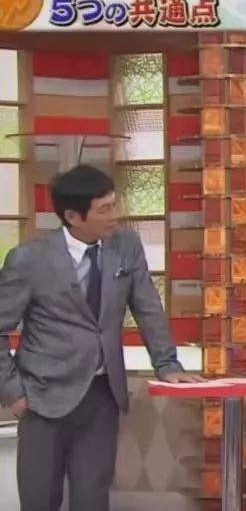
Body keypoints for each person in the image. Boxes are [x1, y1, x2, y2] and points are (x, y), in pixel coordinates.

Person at [0, 164, 202, 511]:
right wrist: (13, 392)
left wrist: (167, 364)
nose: (115, 215)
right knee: (40, 499)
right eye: (104, 209)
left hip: (101, 395)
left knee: (92, 498)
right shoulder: (29, 260)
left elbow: (147, 307)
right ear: (73, 217)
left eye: (114, 204)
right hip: (42, 396)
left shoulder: (125, 245)